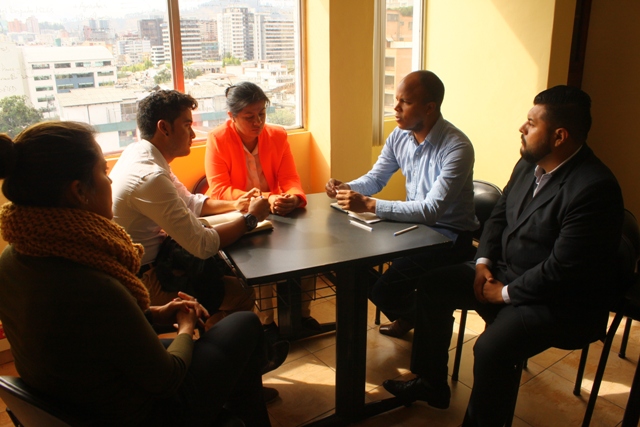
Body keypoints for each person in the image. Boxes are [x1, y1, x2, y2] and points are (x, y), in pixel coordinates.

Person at [0, 121, 271, 426]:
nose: (111, 182)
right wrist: (185, 326)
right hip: (139, 412)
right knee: (244, 324)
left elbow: (91, 331)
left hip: (74, 398)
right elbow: (168, 378)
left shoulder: (13, 260)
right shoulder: (94, 283)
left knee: (230, 361)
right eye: (103, 172)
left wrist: (155, 314)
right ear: (79, 192)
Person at [383, 86, 624, 426]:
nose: (521, 128)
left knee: (491, 349)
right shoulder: (528, 165)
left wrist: (505, 293)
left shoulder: (594, 188)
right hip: (504, 273)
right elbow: (498, 218)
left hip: (557, 299)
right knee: (434, 285)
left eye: (531, 123)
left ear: (559, 136)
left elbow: (563, 269)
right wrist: (482, 264)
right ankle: (431, 384)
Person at [325, 70, 478, 338]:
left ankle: (427, 319)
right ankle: (418, 314)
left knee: (384, 291)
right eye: (396, 100)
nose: (395, 108)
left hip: (449, 237)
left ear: (429, 108)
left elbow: (431, 211)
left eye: (405, 102)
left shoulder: (457, 147)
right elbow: (376, 178)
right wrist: (348, 187)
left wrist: (369, 205)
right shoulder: (400, 135)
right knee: (349, 265)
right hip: (413, 229)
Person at [206, 81, 320, 334]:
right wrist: (268, 197)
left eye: (262, 114)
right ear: (232, 116)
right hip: (238, 214)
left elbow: (290, 178)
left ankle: (302, 316)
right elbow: (219, 189)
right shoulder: (218, 139)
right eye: (249, 117)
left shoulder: (277, 135)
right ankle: (266, 323)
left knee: (307, 252)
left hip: (275, 211)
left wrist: (293, 197)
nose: (258, 122)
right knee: (260, 259)